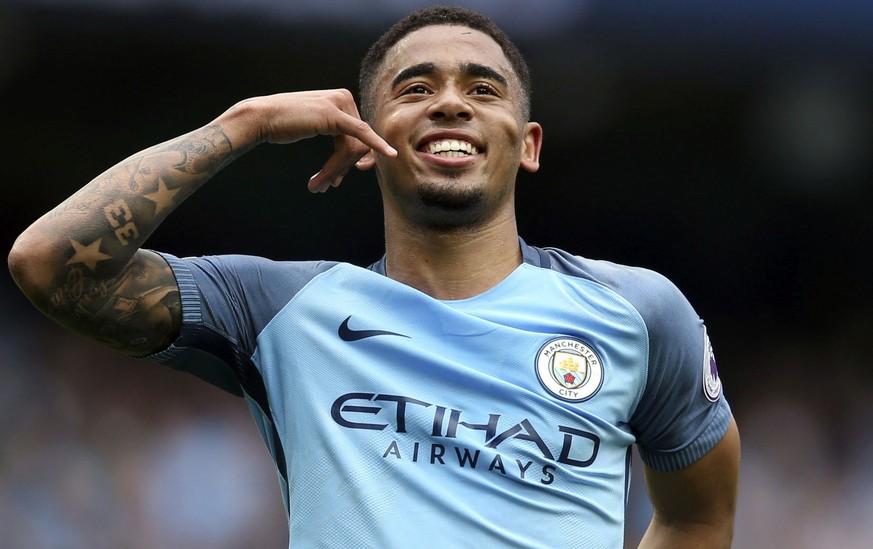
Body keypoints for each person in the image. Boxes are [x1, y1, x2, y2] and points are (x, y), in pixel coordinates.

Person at [8, 6, 740, 548]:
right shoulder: (279, 309)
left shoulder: (638, 312)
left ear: (529, 145)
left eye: (482, 89)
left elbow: (696, 515)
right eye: (415, 87)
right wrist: (243, 125)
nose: (450, 100)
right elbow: (51, 264)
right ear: (365, 136)